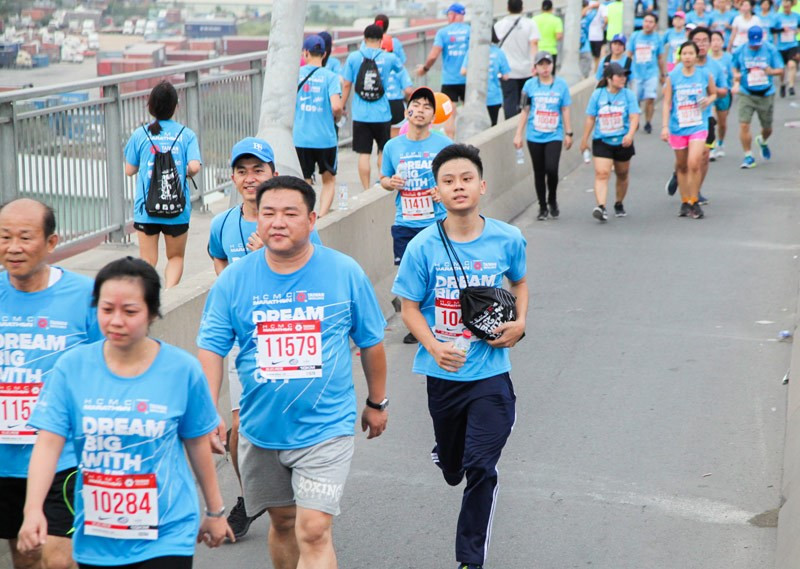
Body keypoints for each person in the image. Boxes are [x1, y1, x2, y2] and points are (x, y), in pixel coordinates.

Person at [197, 176, 389, 569]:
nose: (277, 222)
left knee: (314, 529)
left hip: (325, 427)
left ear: (312, 219)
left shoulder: (343, 272)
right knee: (283, 523)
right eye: (268, 213)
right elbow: (211, 348)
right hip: (260, 428)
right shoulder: (234, 279)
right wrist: (207, 411)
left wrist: (376, 401)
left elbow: (371, 341)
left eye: (290, 213)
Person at [17, 257, 233, 568]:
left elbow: (197, 443)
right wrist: (33, 509)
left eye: (129, 311)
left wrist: (215, 512)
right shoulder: (71, 368)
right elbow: (48, 444)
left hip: (167, 531)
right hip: (97, 535)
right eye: (107, 310)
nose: (116, 320)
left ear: (152, 312)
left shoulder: (182, 370)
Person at [391, 143, 527, 569]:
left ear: (482, 186)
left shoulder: (508, 238)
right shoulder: (423, 247)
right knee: (454, 468)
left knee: (481, 466)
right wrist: (433, 346)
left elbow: (520, 283)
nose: (458, 187)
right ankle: (446, 454)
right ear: (437, 190)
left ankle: (470, 560)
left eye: (466, 179)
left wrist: (520, 323)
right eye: (448, 181)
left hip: (490, 373)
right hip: (443, 375)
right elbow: (408, 307)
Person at [207, 138, 322, 540]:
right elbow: (217, 257)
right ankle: (251, 496)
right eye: (242, 171)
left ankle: (297, 490)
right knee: (242, 432)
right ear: (234, 177)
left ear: (274, 173)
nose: (250, 178)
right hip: (246, 343)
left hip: (289, 334)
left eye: (258, 169)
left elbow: (316, 274)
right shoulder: (223, 223)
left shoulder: (295, 222)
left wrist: (267, 257)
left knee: (290, 421)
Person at [0, 198, 102, 569]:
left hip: (65, 458)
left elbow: (107, 368)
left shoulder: (86, 296)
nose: (13, 247)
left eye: (25, 237)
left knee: (59, 558)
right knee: (24, 555)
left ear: (52, 242)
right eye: (4, 236)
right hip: (5, 460)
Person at [381, 87, 453, 344]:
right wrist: (391, 182)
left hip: (436, 222)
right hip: (405, 222)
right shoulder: (392, 146)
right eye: (416, 105)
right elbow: (383, 179)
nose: (420, 110)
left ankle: (433, 323)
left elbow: (454, 180)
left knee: (436, 273)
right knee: (409, 275)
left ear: (433, 115)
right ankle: (417, 325)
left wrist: (441, 192)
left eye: (426, 107)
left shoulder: (444, 145)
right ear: (406, 111)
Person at [124, 80, 201, 289]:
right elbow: (194, 166)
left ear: (150, 106)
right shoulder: (186, 134)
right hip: (177, 208)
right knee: (175, 257)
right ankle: (169, 294)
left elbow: (129, 170)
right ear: (176, 106)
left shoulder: (141, 134)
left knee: (147, 260)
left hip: (146, 209)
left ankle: (148, 297)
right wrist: (181, 169)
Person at [665, 27, 728, 203]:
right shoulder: (678, 69)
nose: (701, 44)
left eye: (704, 41)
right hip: (682, 121)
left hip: (705, 118)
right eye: (697, 40)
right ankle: (679, 173)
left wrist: (711, 96)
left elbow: (723, 89)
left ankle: (695, 193)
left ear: (709, 44)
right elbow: (668, 96)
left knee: (703, 157)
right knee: (686, 162)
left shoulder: (714, 67)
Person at [342, 24, 404, 191]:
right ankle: (381, 181)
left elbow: (347, 84)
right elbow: (400, 67)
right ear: (381, 40)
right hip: (382, 112)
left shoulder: (354, 57)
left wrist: (341, 106)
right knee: (383, 150)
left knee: (364, 154)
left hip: (361, 114)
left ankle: (366, 188)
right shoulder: (388, 58)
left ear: (364, 39)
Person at [513, 51, 573, 220]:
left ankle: (552, 198)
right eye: (541, 65)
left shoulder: (561, 85)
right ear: (536, 68)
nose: (545, 68)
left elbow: (565, 109)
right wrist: (518, 134)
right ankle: (542, 206)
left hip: (554, 134)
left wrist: (569, 132)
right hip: (534, 135)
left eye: (548, 64)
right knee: (539, 172)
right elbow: (524, 111)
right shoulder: (529, 86)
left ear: (552, 66)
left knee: (552, 169)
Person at [662, 41, 717, 218]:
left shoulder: (704, 75)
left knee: (694, 162)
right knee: (682, 166)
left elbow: (713, 93)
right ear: (680, 56)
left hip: (698, 125)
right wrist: (664, 127)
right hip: (678, 127)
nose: (687, 57)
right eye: (684, 53)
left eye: (690, 53)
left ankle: (694, 201)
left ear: (696, 55)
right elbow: (667, 102)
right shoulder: (673, 76)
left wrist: (709, 100)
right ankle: (685, 201)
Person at [580, 63, 640, 221]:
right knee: (602, 173)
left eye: (624, 75)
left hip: (623, 141)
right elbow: (591, 118)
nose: (623, 78)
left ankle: (619, 203)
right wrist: (584, 139)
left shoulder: (628, 95)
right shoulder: (598, 95)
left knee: (622, 173)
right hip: (602, 140)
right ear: (609, 78)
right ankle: (601, 207)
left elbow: (634, 117)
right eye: (619, 75)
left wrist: (630, 134)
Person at [294, 35, 343, 217]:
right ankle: (321, 216)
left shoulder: (295, 74)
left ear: (305, 53)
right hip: (325, 138)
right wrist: (335, 118)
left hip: (300, 137)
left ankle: (307, 215)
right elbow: (337, 106)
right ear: (323, 54)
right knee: (328, 179)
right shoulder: (330, 77)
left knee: (304, 179)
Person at [731, 25, 784, 167]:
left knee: (767, 128)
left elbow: (780, 69)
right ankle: (748, 155)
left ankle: (762, 140)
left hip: (765, 93)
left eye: (757, 44)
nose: (755, 47)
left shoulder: (770, 49)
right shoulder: (741, 50)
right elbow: (733, 65)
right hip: (746, 92)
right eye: (753, 45)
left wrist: (771, 71)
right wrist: (736, 75)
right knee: (744, 124)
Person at [417, 3, 471, 139]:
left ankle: (451, 142)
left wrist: (425, 69)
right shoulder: (470, 31)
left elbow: (433, 55)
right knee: (469, 110)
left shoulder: (443, 32)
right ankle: (469, 140)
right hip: (468, 78)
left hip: (450, 79)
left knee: (449, 112)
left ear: (452, 15)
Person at [495, 0, 540, 119]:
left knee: (509, 101)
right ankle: (523, 127)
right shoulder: (530, 23)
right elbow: (534, 44)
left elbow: (495, 46)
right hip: (526, 70)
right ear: (522, 8)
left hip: (506, 72)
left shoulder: (499, 25)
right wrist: (535, 65)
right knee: (525, 103)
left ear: (507, 7)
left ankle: (511, 128)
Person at [461, 29, 511, 126]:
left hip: (476, 96)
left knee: (477, 127)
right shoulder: (499, 53)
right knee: (492, 126)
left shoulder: (472, 51)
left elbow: (463, 71)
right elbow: (506, 76)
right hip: (494, 96)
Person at [373, 14, 412, 139]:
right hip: (395, 103)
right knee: (395, 141)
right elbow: (408, 90)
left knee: (381, 144)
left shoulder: (373, 65)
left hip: (377, 103)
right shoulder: (398, 65)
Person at [628, 14, 665, 134]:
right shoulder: (635, 36)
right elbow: (629, 54)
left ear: (655, 25)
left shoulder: (657, 38)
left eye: (651, 22)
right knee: (636, 99)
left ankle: (648, 121)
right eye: (646, 21)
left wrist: (663, 74)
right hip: (636, 74)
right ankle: (636, 120)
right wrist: (626, 72)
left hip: (651, 73)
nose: (648, 24)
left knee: (650, 98)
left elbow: (660, 57)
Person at [709, 30, 735, 157]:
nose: (715, 43)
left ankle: (721, 142)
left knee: (722, 123)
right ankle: (711, 146)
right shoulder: (706, 59)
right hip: (710, 94)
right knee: (711, 120)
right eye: (712, 40)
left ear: (722, 43)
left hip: (724, 93)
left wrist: (735, 85)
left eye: (718, 40)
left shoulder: (728, 58)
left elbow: (734, 75)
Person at [775, 0, 800, 96]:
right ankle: (782, 84)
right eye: (784, 6)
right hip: (780, 46)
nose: (786, 7)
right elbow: (772, 29)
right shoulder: (778, 17)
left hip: (792, 45)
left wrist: (797, 30)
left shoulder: (796, 16)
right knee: (781, 69)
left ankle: (791, 86)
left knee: (792, 65)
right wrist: (781, 30)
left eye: (788, 5)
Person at [533, 0, 565, 70]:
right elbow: (558, 36)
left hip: (538, 51)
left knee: (538, 74)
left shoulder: (534, 19)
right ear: (552, 9)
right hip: (551, 51)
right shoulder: (556, 20)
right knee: (550, 75)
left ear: (541, 8)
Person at [586, 1, 611, 71]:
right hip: (591, 35)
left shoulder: (602, 7)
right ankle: (596, 70)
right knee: (595, 56)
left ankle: (596, 70)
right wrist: (591, 7)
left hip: (598, 35)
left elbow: (606, 20)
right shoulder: (591, 6)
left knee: (598, 55)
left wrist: (602, 27)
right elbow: (583, 13)